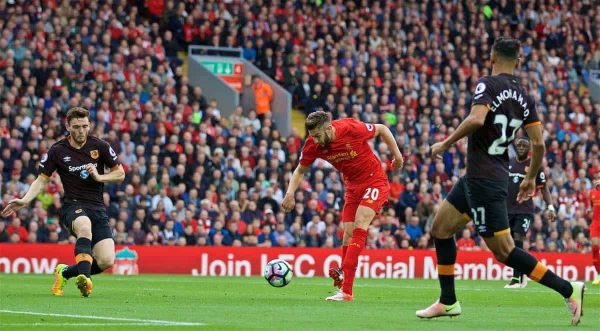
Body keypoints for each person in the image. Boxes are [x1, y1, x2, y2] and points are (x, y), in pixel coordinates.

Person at [415, 37, 585, 326]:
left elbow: (476, 120)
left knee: (505, 251)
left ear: (491, 57)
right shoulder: (525, 97)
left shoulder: (487, 84)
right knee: (441, 229)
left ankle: (568, 289)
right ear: (519, 61)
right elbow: (540, 144)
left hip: (485, 180)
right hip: (478, 177)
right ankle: (448, 301)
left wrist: (444, 144)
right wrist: (531, 177)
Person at [1, 107, 125, 297]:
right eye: (76, 127)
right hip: (73, 206)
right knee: (84, 226)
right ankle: (85, 280)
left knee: (107, 260)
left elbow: (120, 173)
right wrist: (25, 200)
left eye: (85, 126)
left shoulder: (99, 146)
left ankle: (64, 272)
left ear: (89, 125)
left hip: (97, 208)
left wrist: (99, 177)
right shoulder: (57, 150)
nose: (81, 131)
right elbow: (42, 179)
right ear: (68, 126)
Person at [281, 110, 403, 301]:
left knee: (360, 224)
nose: (316, 140)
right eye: (312, 136)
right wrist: (290, 193)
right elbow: (299, 171)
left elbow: (382, 129)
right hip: (352, 186)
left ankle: (346, 290)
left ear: (328, 128)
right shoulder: (312, 144)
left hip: (374, 180)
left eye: (318, 135)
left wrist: (398, 155)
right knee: (347, 233)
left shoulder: (350, 128)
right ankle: (344, 284)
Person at [505, 136, 556, 288]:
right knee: (508, 242)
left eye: (524, 145)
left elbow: (544, 186)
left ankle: (516, 277)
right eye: (519, 144)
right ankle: (522, 273)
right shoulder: (509, 163)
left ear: (529, 149)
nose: (521, 146)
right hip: (507, 209)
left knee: (518, 237)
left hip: (524, 209)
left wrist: (550, 206)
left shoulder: (534, 166)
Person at [590, 172, 600, 285]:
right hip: (596, 224)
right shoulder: (592, 193)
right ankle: (598, 273)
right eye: (596, 178)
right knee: (595, 247)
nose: (597, 180)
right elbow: (592, 207)